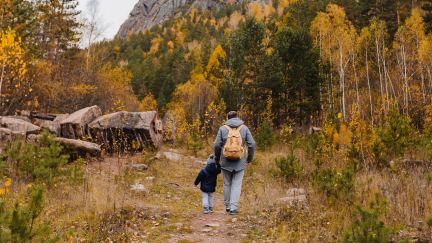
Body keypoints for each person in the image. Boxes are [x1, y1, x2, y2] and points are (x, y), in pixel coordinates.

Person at [214, 111, 255, 215]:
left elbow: (217, 145)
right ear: (237, 117)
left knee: (227, 183)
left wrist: (217, 159)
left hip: (225, 161)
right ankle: (233, 208)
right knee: (237, 184)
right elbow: (252, 144)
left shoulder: (223, 128)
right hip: (240, 162)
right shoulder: (244, 128)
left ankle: (227, 206)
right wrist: (249, 159)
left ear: (228, 118)